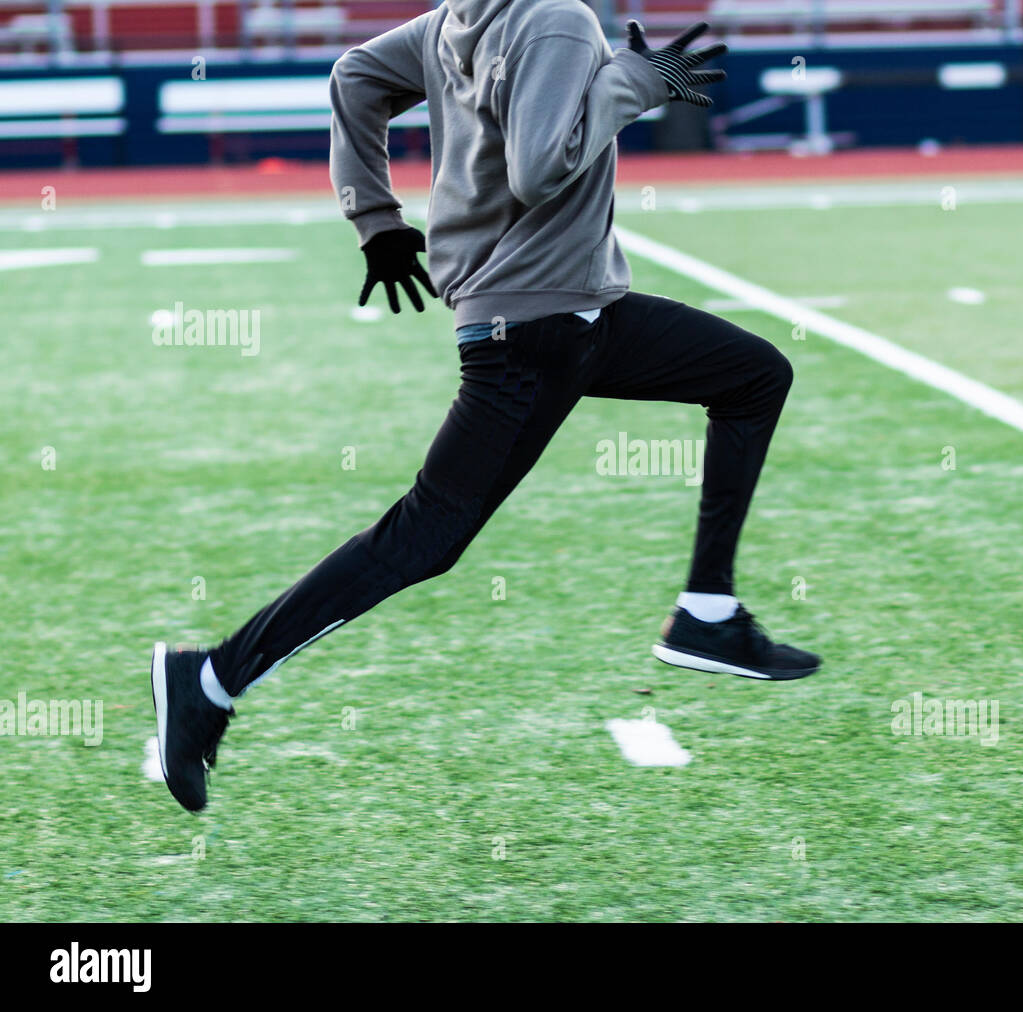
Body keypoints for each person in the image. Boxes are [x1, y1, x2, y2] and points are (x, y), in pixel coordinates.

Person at [151, 0, 819, 814]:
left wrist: (375, 219)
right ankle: (211, 680)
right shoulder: (557, 18)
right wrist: (637, 83)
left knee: (753, 374)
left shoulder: (457, 18)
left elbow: (354, 77)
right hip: (535, 328)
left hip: (578, 312)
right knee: (424, 537)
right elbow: (542, 169)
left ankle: (708, 613)